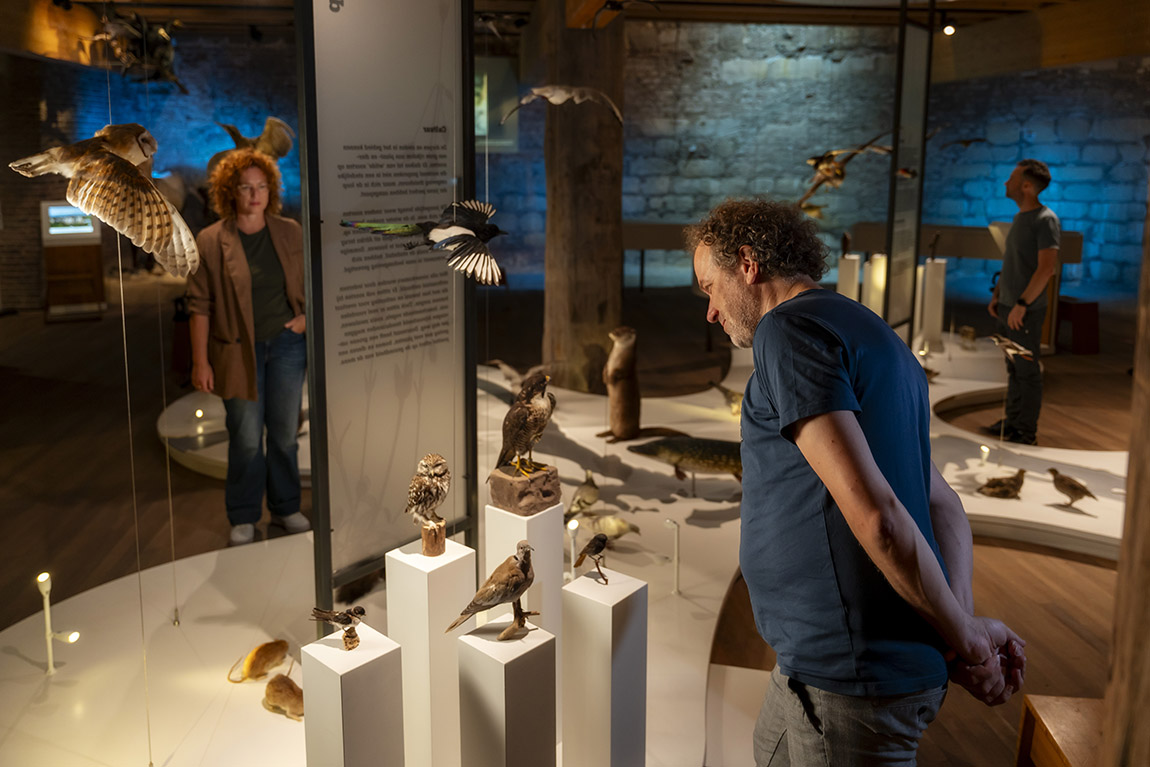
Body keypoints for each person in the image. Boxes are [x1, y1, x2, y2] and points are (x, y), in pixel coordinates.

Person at [688, 199, 1026, 766]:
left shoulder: (787, 331)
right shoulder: (870, 332)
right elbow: (943, 504)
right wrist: (958, 630)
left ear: (747, 262)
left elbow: (880, 518)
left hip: (848, 681)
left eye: (710, 288)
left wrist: (965, 640)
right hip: (812, 669)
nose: (711, 311)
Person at [187, 148, 311, 546]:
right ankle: (243, 514)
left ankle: (286, 507)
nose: (254, 195)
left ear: (270, 190)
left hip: (287, 346)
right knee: (243, 437)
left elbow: (313, 281)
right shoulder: (210, 241)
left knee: (284, 435)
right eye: (245, 187)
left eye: (261, 187)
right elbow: (199, 305)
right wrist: (200, 360)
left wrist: (306, 319)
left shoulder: (290, 231)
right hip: (236, 351)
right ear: (230, 191)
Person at [986, 159, 1060, 445]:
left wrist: (1022, 304)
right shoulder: (1020, 218)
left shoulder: (1046, 220)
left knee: (1027, 370)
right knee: (1013, 366)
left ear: (1027, 186)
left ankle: (1025, 431)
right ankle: (1013, 421)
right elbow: (1012, 262)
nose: (1006, 183)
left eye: (1012, 178)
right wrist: (998, 295)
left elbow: (1046, 269)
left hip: (1023, 310)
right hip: (1009, 306)